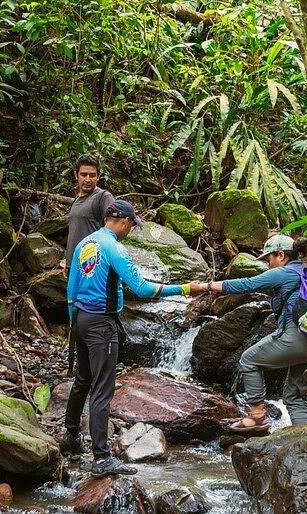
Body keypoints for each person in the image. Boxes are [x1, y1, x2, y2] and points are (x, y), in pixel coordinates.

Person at [61, 199, 205, 477]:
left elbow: (71, 287)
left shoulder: (84, 244)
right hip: (102, 324)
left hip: (80, 319)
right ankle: (102, 459)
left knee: (82, 379)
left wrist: (72, 323)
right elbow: (141, 288)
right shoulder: (116, 249)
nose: (130, 231)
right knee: (102, 388)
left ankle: (70, 435)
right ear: (124, 222)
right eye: (131, 226)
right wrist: (186, 288)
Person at [195, 234, 307, 433]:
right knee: (294, 397)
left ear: (281, 255)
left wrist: (207, 286)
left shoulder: (284, 272)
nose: (268, 264)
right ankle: (305, 441)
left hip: (297, 339)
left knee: (249, 360)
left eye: (269, 259)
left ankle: (257, 416)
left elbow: (246, 284)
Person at [64, 154, 115, 278]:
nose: (88, 179)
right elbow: (75, 232)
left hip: (91, 268)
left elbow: (115, 231)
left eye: (92, 175)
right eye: (83, 175)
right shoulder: (76, 199)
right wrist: (67, 260)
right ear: (76, 175)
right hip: (73, 266)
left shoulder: (103, 197)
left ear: (98, 177)